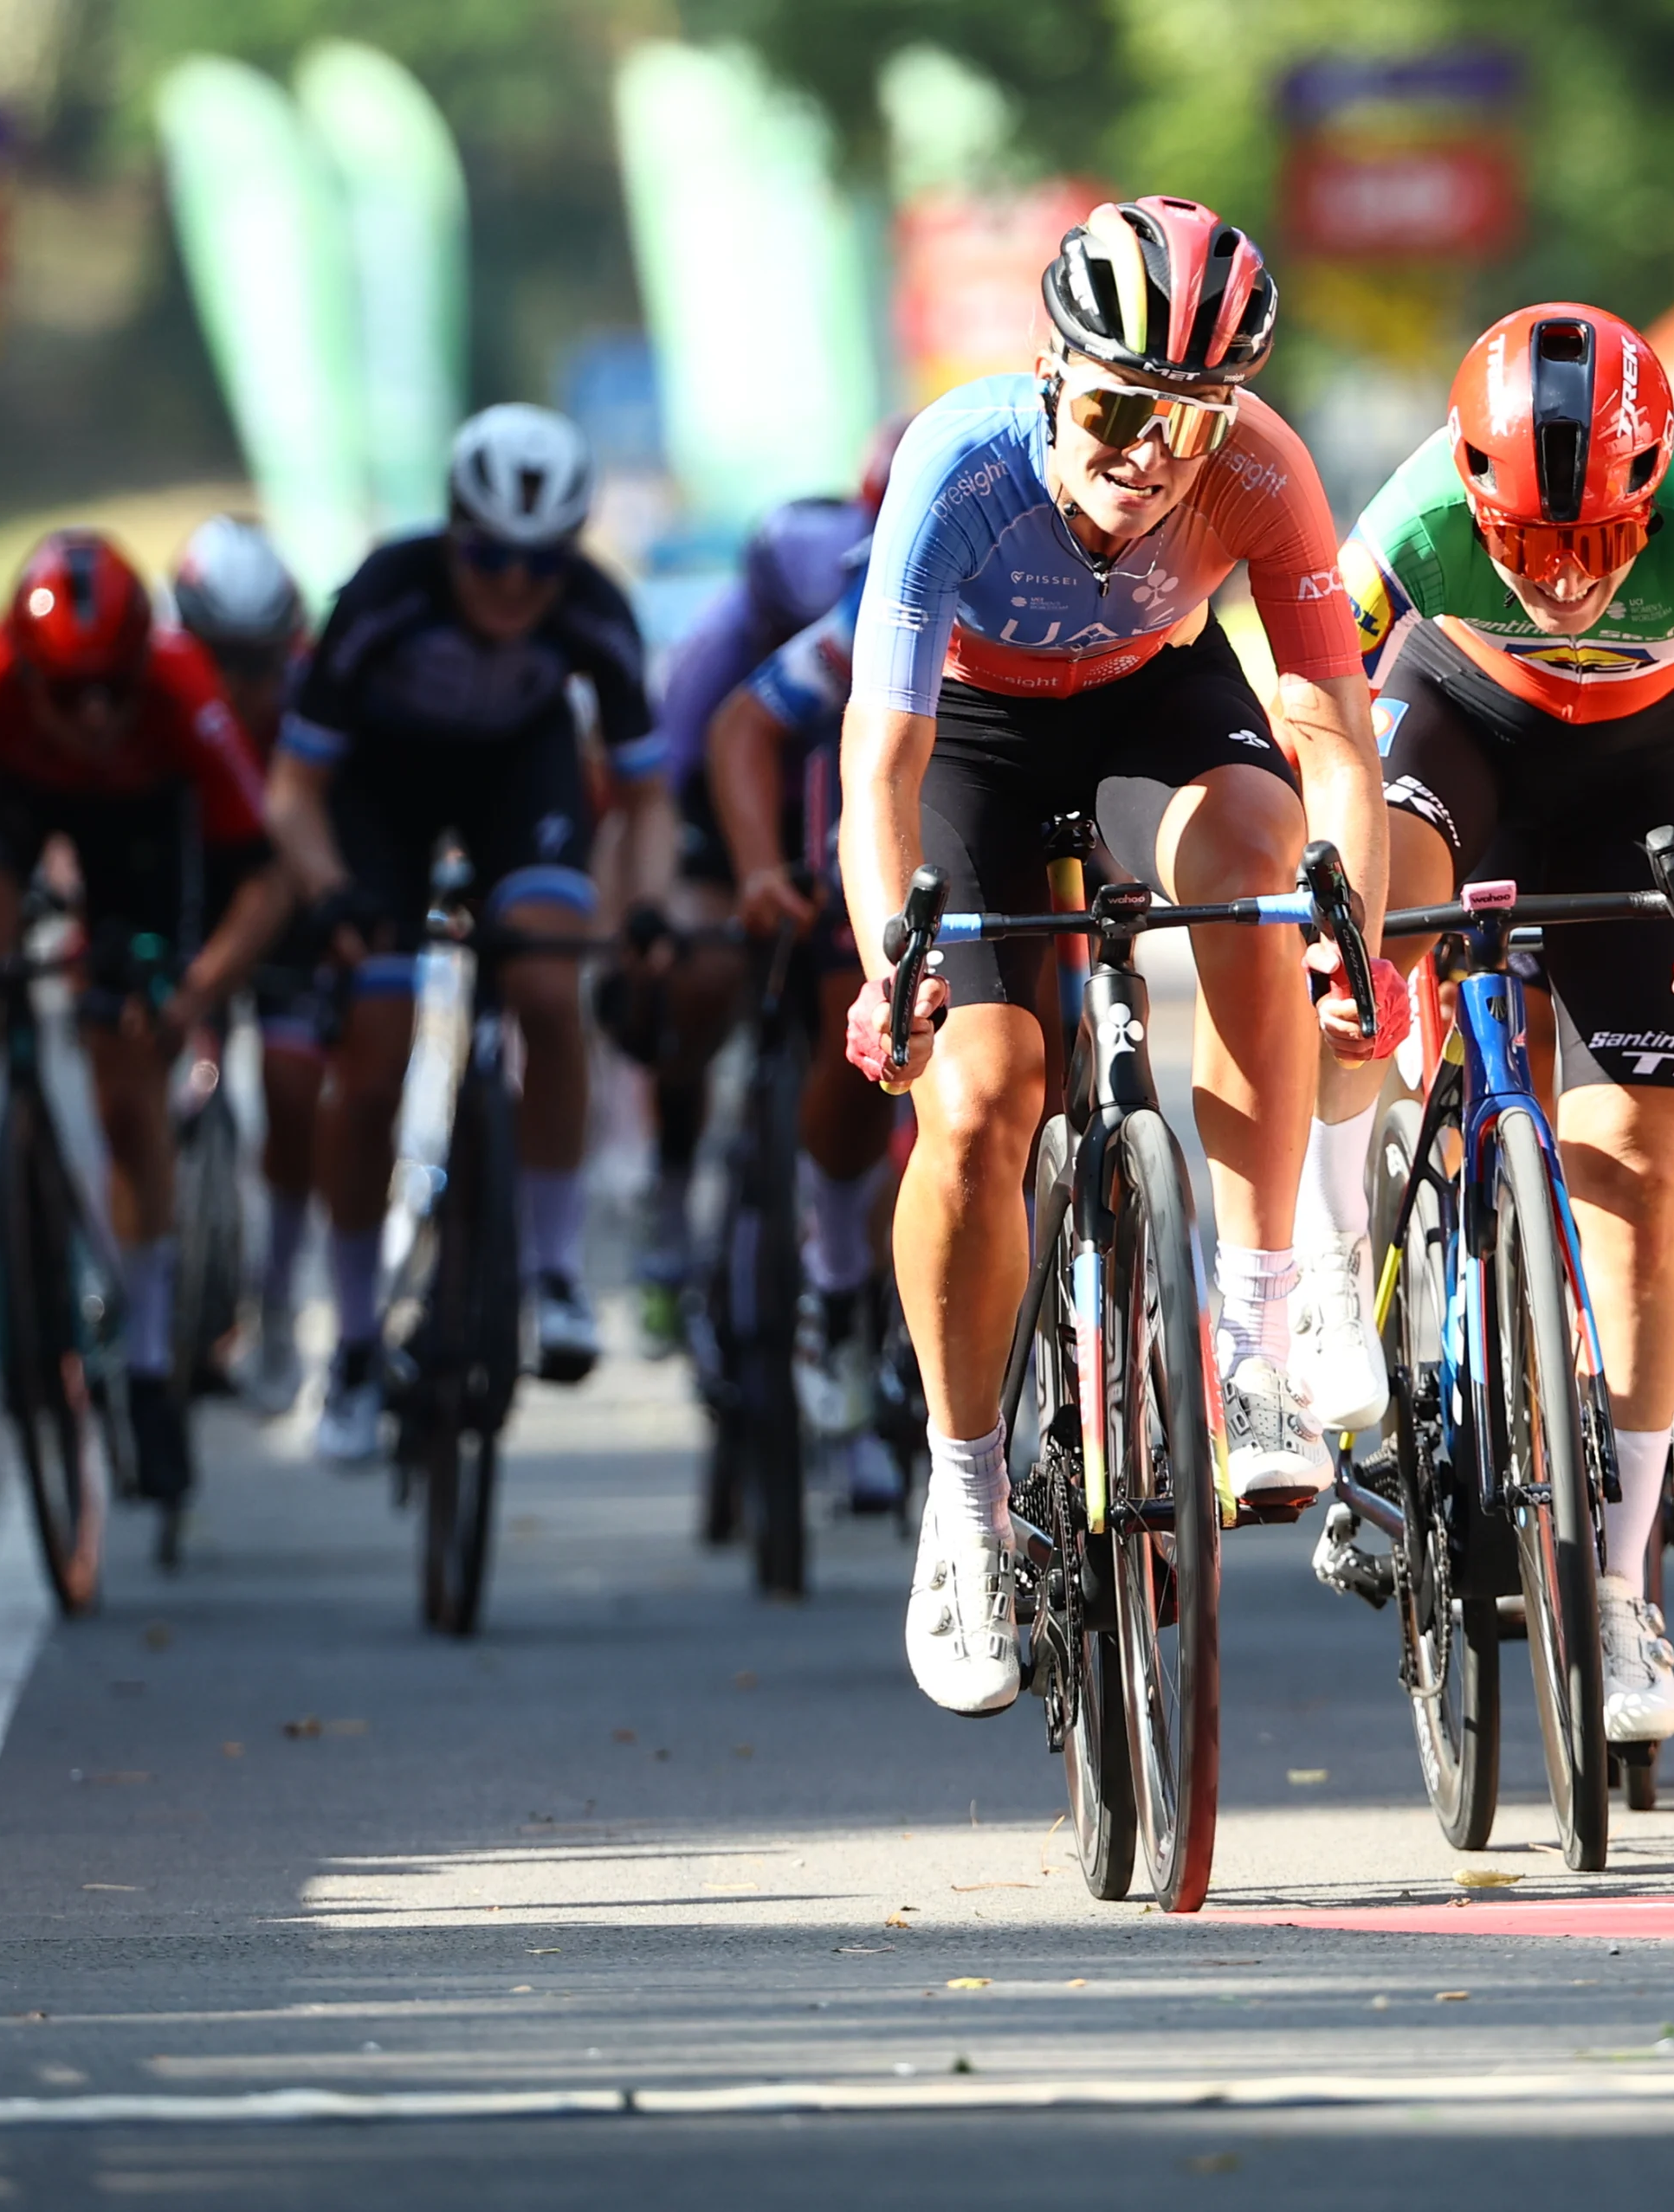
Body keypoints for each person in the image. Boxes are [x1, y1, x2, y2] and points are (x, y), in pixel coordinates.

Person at [834, 197, 1393, 1718]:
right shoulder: (960, 466)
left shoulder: (1266, 473)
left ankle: (1257, 1335)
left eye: (1189, 423)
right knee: (981, 1096)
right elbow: (879, 767)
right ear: (1048, 374)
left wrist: (1356, 923)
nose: (1149, 453)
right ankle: (960, 1508)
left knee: (1261, 867)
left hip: (1157, 700)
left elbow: (1336, 735)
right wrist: (893, 960)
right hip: (979, 743)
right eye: (1116, 408)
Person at [1321, 304, 1674, 1744]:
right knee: (1367, 936)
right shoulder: (1408, 526)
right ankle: (1349, 1310)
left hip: (1655, 765)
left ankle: (1624, 1582)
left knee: (1646, 1166)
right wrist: (1342, 946)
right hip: (1460, 726)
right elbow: (1306, 716)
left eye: (1601, 541)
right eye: (1528, 542)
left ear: (1654, 494)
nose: (1570, 579)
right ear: (1471, 497)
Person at [0, 530, 289, 1539]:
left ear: (140, 668)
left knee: (130, 1092)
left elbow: (264, 878)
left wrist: (195, 987)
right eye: (67, 692)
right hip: (16, 801)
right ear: (26, 671)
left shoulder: (178, 690)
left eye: (109, 690)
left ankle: (158, 1366)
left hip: (145, 833)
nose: (91, 713)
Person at [266, 403, 671, 1464]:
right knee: (373, 1053)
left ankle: (553, 1269)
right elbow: (293, 790)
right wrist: (329, 895)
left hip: (516, 776)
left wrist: (640, 917)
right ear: (453, 532)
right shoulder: (386, 593)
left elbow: (645, 798)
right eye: (490, 555)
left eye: (540, 564)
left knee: (547, 985)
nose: (513, 586)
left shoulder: (590, 607)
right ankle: (353, 1342)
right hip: (378, 796)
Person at [624, 418, 908, 1356]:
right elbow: (674, 788)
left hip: (850, 768)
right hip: (741, 797)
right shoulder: (735, 640)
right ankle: (673, 1181)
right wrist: (703, 894)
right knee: (695, 971)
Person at [167, 515, 320, 1415]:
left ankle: (277, 1291)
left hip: (285, 887)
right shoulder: (148, 689)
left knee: (298, 1088)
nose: (243, 684)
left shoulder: (311, 692)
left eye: (262, 661)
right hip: (188, 876)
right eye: (221, 659)